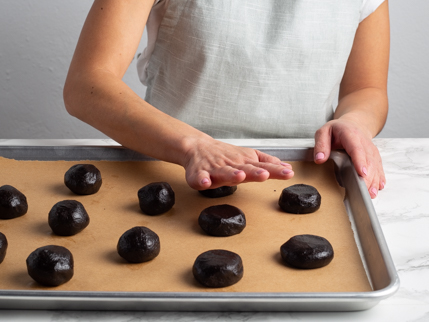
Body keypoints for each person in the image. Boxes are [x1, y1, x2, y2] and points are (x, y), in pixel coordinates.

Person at [63, 0, 389, 199]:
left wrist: (353, 123)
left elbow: (366, 90)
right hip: (169, 172)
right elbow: (87, 83)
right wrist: (193, 146)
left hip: (309, 178)